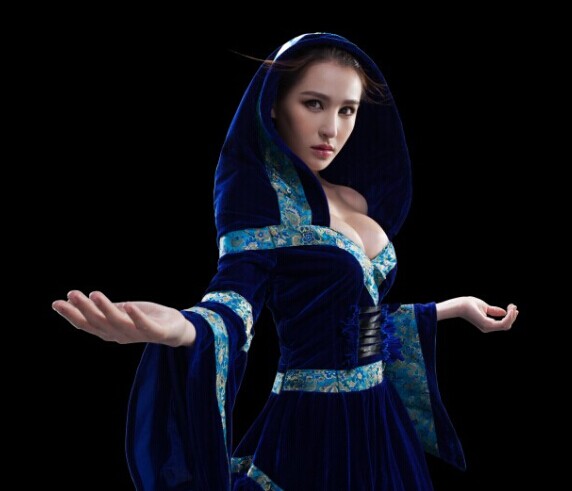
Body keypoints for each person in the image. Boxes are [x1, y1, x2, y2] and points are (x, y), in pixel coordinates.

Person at [52, 33, 518, 490]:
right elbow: (233, 299)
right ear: (274, 104)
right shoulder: (261, 204)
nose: (331, 129)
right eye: (314, 104)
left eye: (347, 110)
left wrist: (452, 308)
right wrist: (184, 327)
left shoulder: (354, 198)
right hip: (316, 430)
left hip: (381, 420)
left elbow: (360, 322)